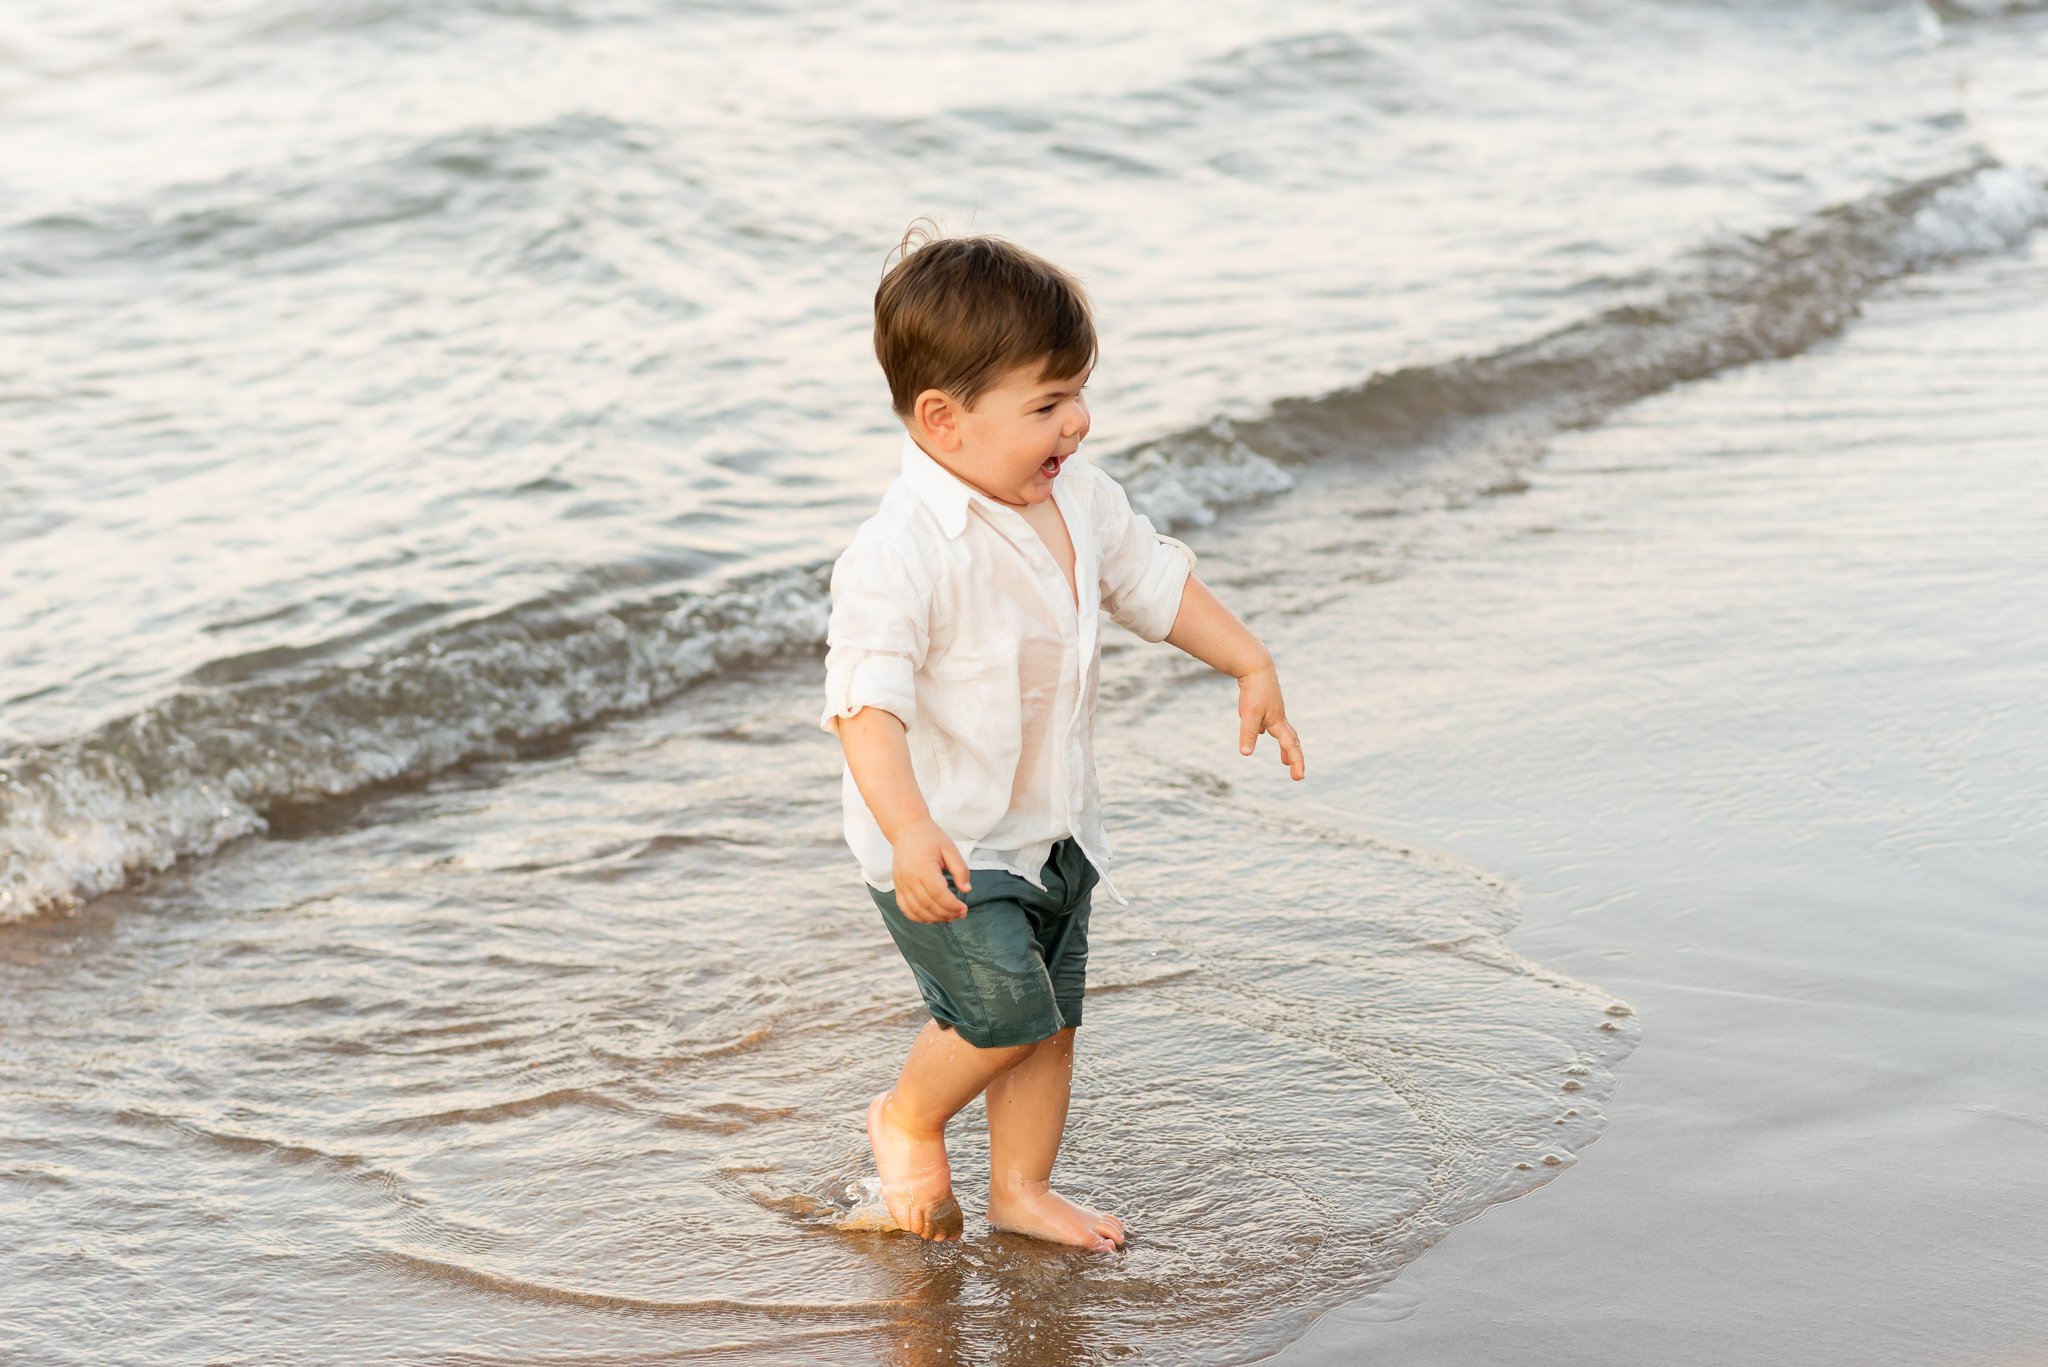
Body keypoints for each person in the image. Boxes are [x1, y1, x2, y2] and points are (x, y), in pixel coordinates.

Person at [819, 225, 1306, 1253]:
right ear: (943, 421)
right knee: (1002, 1009)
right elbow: (867, 703)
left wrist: (1248, 659)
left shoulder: (1074, 497)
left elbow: (1151, 583)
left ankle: (1021, 1187)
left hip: (1052, 822)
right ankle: (906, 1115)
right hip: (944, 840)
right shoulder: (897, 552)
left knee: (1054, 1014)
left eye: (1078, 392)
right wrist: (907, 827)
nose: (1077, 422)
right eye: (1046, 404)